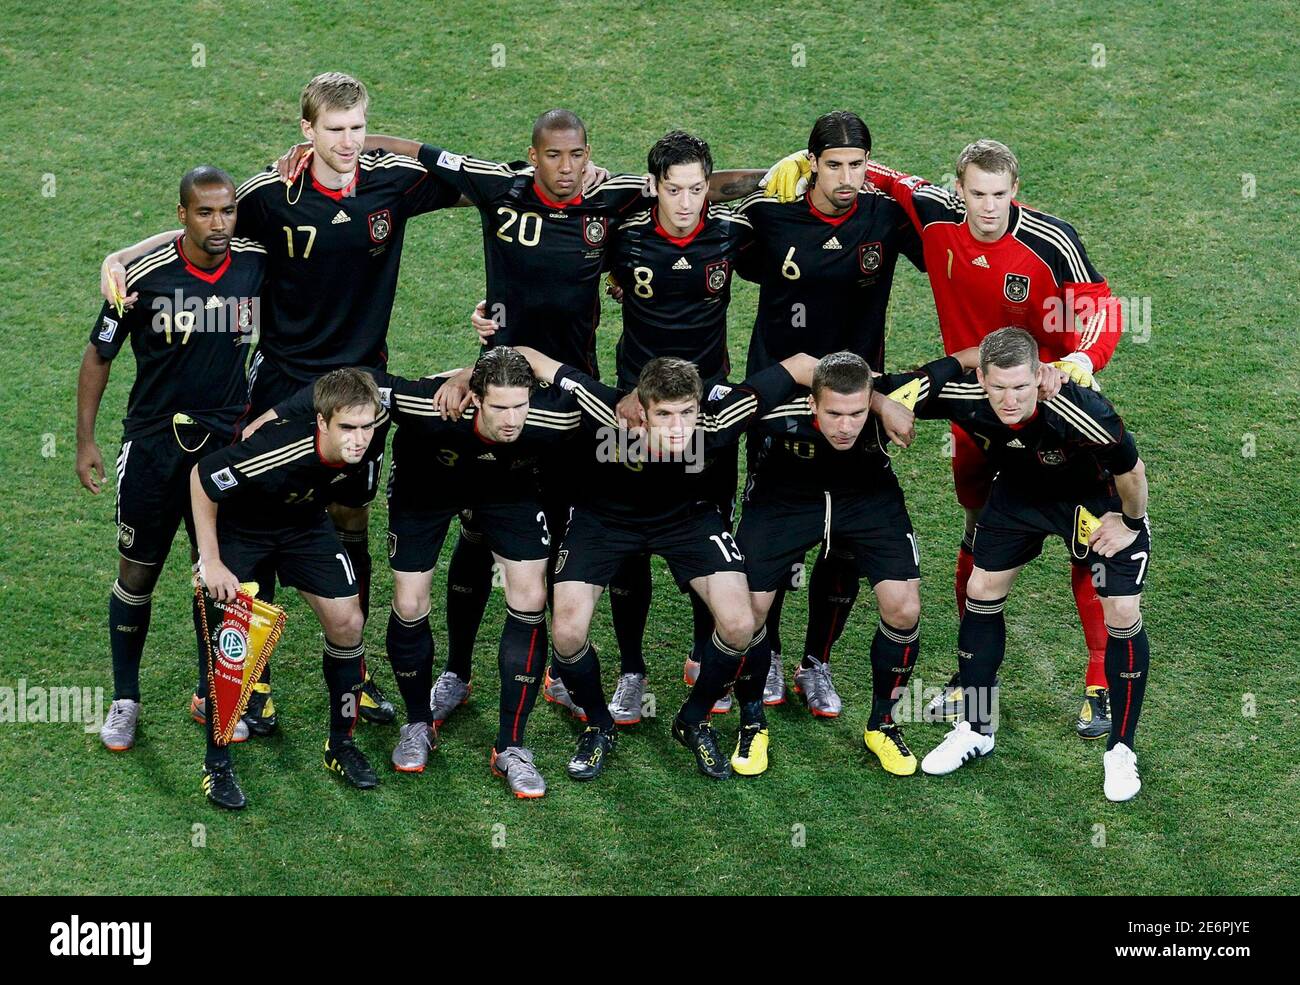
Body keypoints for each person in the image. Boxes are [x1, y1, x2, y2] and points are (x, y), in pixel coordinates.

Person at [100, 72, 467, 728]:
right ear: (307, 130)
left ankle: (353, 672)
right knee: (258, 523)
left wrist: (384, 142)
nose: (349, 141)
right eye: (335, 129)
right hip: (280, 387)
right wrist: (125, 252)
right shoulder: (272, 192)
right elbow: (205, 224)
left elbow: (472, 180)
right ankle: (246, 678)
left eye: (358, 127)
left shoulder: (392, 182)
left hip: (362, 391)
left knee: (351, 516)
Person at [764, 138, 1125, 736]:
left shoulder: (1050, 240)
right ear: (958, 191)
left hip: (1049, 402)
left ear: (1017, 193)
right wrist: (799, 163)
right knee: (979, 528)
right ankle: (970, 681)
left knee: (1089, 538)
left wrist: (1081, 362)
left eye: (1000, 196)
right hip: (971, 400)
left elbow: (1102, 309)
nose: (988, 208)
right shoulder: (932, 212)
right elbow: (879, 175)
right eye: (978, 194)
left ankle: (1099, 682)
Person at [256, 347, 578, 797]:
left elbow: (612, 406)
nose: (512, 419)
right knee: (409, 601)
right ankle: (417, 724)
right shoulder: (427, 403)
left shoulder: (556, 417)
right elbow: (356, 377)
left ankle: (513, 747)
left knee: (530, 599)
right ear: (474, 399)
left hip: (508, 491)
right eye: (499, 407)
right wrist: (265, 420)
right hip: (424, 490)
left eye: (520, 405)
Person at [514, 345, 817, 782]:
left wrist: (882, 401)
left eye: (686, 413)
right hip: (604, 520)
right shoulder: (605, 408)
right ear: (640, 408)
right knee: (565, 633)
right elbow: (531, 357)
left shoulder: (724, 416)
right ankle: (600, 724)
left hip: (687, 519)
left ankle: (693, 720)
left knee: (741, 623)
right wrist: (469, 377)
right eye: (664, 416)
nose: (678, 428)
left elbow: (800, 364)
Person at [733, 110, 924, 714]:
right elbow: (689, 210)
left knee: (841, 544)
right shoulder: (768, 214)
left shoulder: (885, 216)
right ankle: (765, 659)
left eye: (858, 165)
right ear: (810, 162)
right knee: (778, 542)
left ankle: (816, 662)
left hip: (853, 404)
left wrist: (891, 179)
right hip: (776, 407)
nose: (847, 177)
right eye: (834, 164)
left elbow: (946, 215)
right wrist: (764, 176)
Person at [913, 328, 1150, 802]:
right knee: (981, 590)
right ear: (981, 377)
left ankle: (1121, 750)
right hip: (1019, 495)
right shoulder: (968, 394)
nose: (1008, 399)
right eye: (997, 386)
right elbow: (891, 386)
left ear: (1041, 375)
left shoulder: (1080, 409)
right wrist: (898, 401)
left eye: (1020, 387)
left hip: (1092, 500)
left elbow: (1132, 470)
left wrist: (1129, 522)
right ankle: (977, 728)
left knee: (1121, 611)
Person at [78, 166, 265, 752]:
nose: (219, 223)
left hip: (226, 444)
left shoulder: (257, 261)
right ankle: (125, 699)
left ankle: (214, 693)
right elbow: (98, 356)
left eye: (228, 211)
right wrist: (85, 441)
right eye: (205, 212)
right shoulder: (141, 279)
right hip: (155, 443)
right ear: (181, 214)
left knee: (222, 576)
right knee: (137, 572)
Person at [737, 348, 974, 775]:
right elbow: (712, 411)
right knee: (749, 609)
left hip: (867, 500)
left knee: (904, 607)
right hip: (783, 500)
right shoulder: (772, 403)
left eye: (858, 413)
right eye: (834, 414)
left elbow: (947, 368)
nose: (846, 427)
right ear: (811, 401)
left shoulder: (892, 395)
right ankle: (752, 722)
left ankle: (882, 724)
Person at [190, 369, 388, 809]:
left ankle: (340, 744)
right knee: (231, 645)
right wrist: (211, 561)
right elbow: (203, 479)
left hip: (303, 526)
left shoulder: (363, 438)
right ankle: (217, 766)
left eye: (367, 427)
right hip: (242, 531)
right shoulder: (277, 451)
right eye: (348, 429)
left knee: (348, 622)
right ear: (322, 424)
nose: (360, 439)